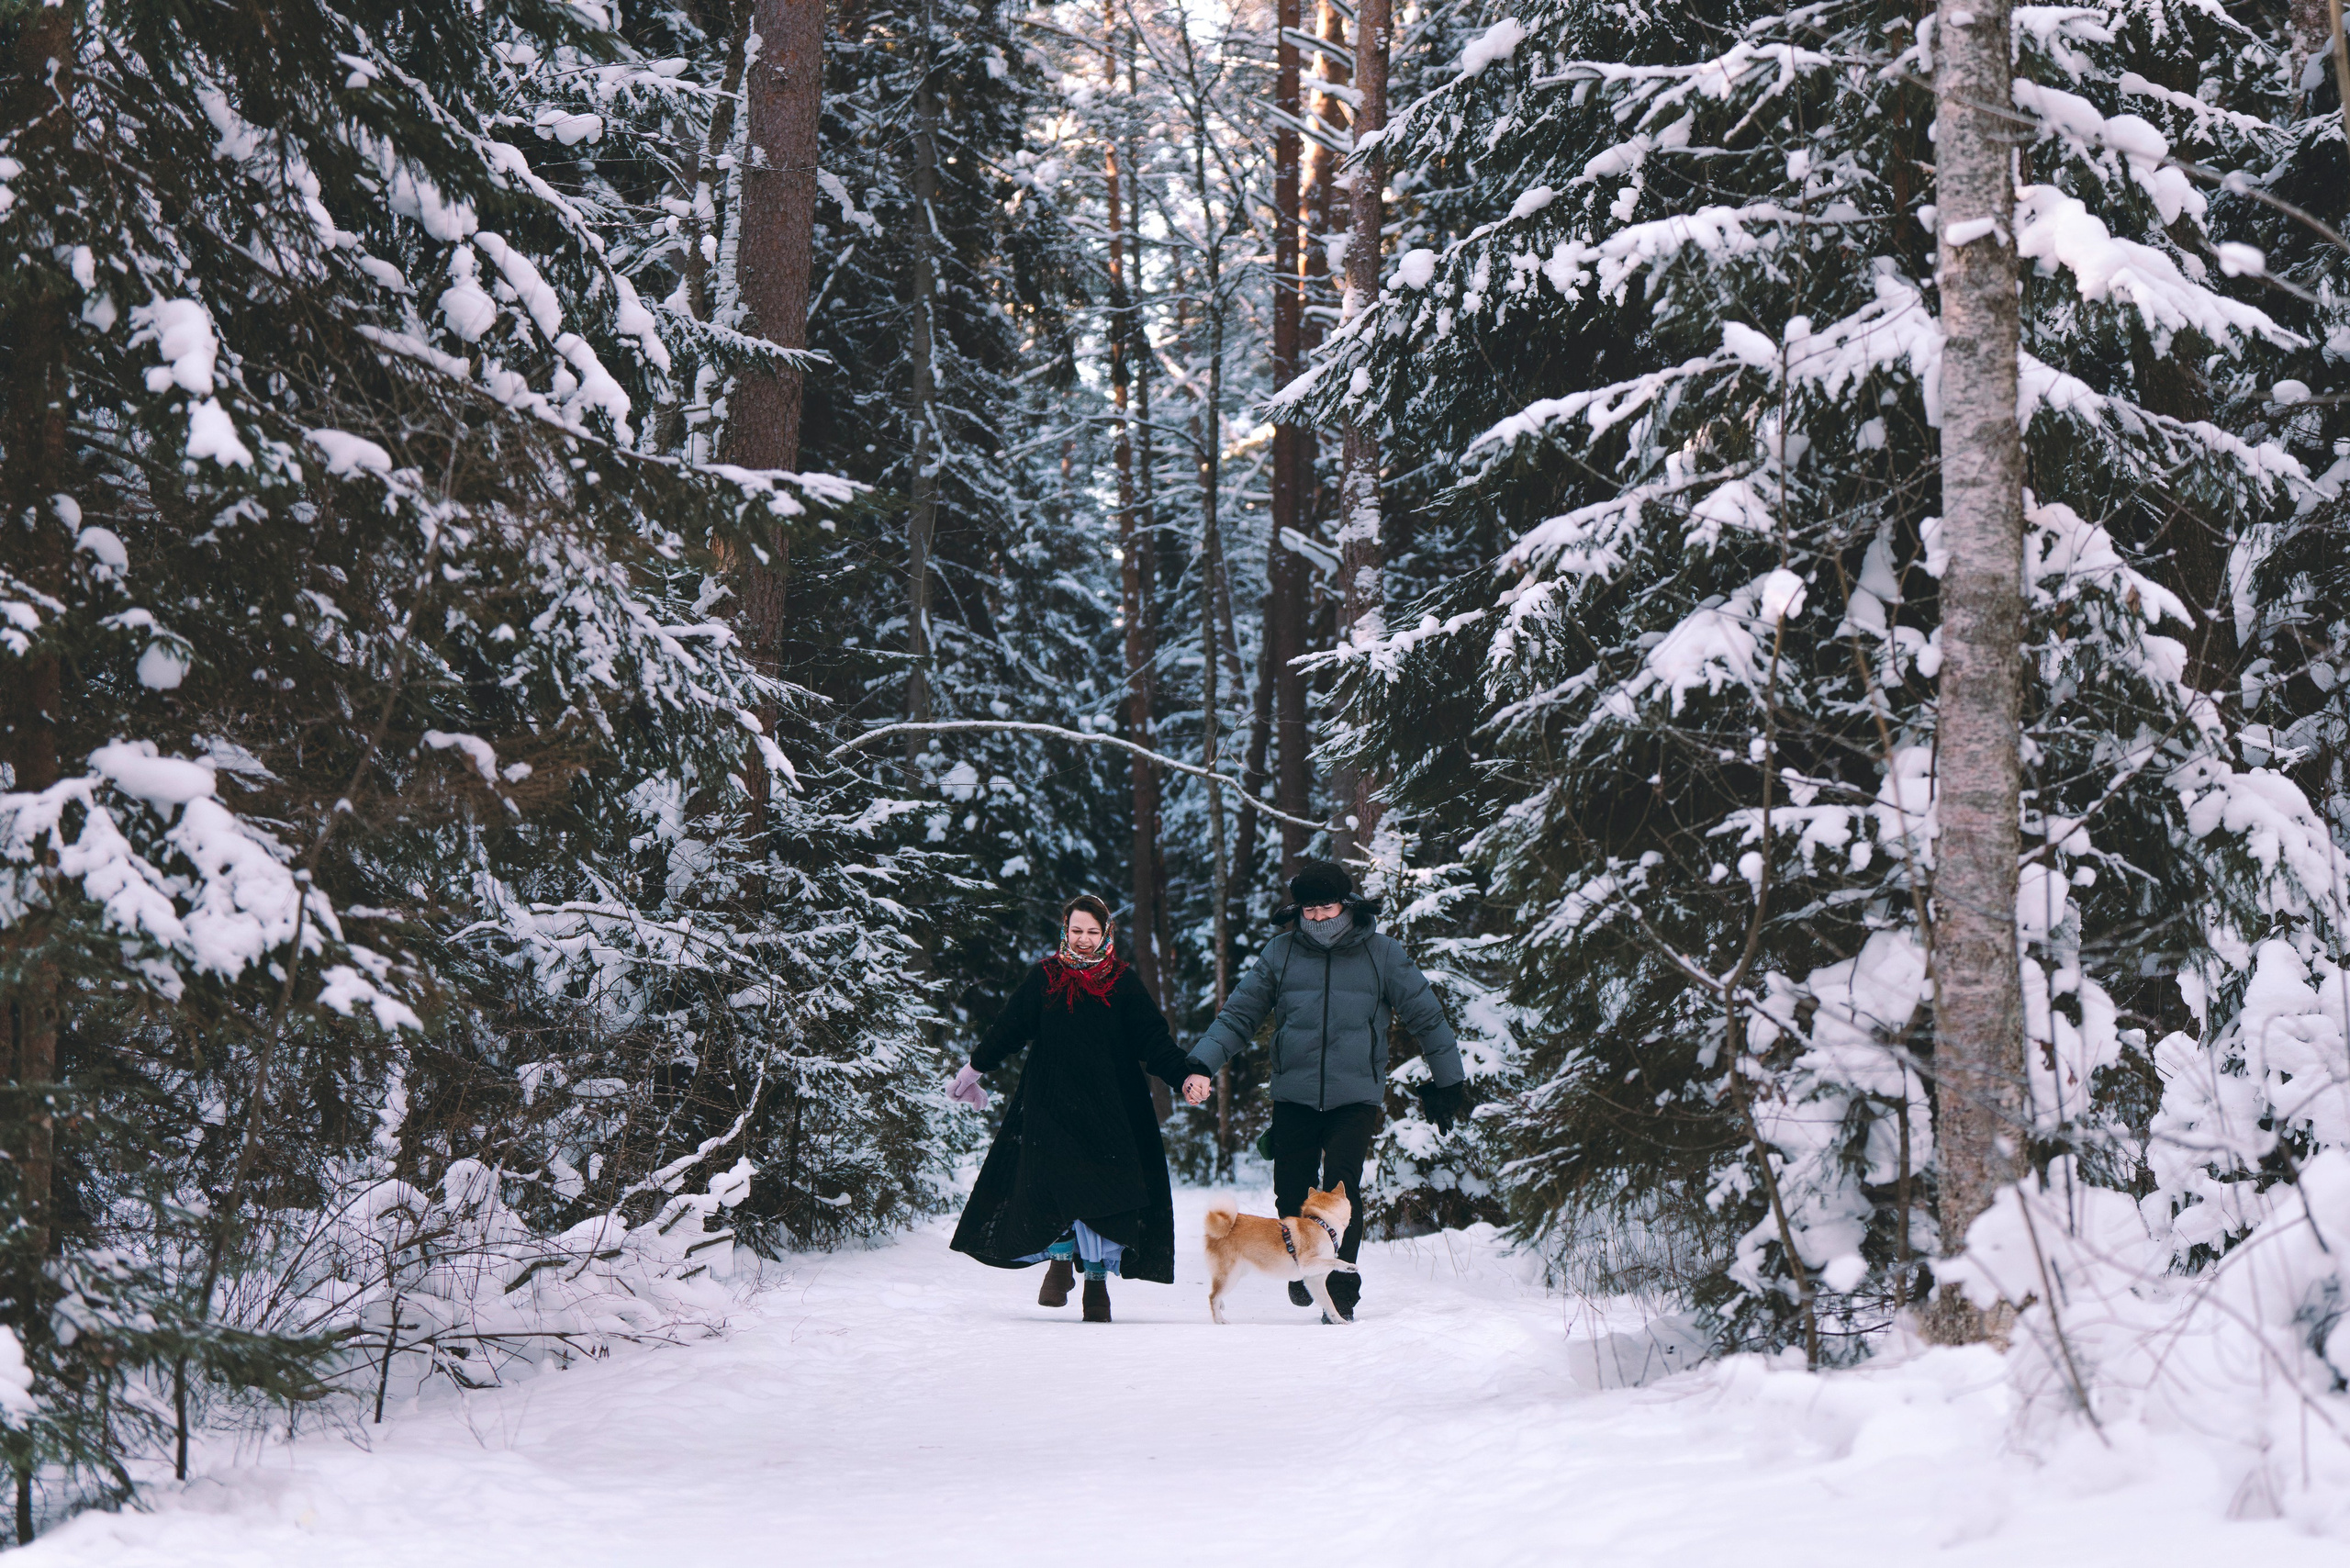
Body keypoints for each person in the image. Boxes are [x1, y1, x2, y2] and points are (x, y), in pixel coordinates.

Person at [1186, 860, 1464, 1321]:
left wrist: (1448, 1080)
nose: (1315, 918)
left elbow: (1426, 1015)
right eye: (1307, 909)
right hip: (1294, 1092)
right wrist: (1201, 1062)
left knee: (1342, 1190)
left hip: (1354, 1095)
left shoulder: (1382, 953)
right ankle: (1302, 1267)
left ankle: (1340, 1290)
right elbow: (1239, 1015)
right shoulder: (1282, 952)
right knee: (1291, 1191)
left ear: (1346, 904)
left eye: (1325, 907)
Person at [948, 894, 1212, 1323]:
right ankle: (1059, 1260)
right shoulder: (1044, 978)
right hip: (1050, 1100)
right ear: (1064, 930)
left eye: (1093, 932)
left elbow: (1154, 1040)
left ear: (1105, 933)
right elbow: (1008, 1029)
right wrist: (973, 1069)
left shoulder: (1123, 982)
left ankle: (1095, 1282)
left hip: (1110, 1108)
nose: (1084, 940)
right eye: (1076, 931)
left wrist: (1183, 1075)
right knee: (1050, 1180)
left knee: (1102, 1193)